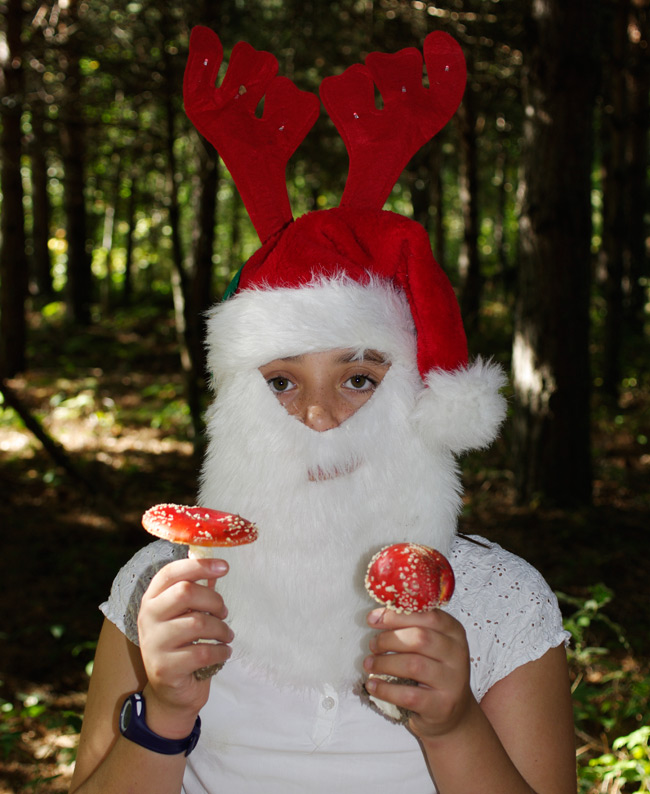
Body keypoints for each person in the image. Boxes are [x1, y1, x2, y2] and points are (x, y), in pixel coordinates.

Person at [69, 26, 576, 794]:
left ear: (419, 396)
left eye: (359, 379)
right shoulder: (162, 591)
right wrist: (165, 714)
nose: (317, 415)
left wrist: (455, 725)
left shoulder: (501, 601)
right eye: (279, 382)